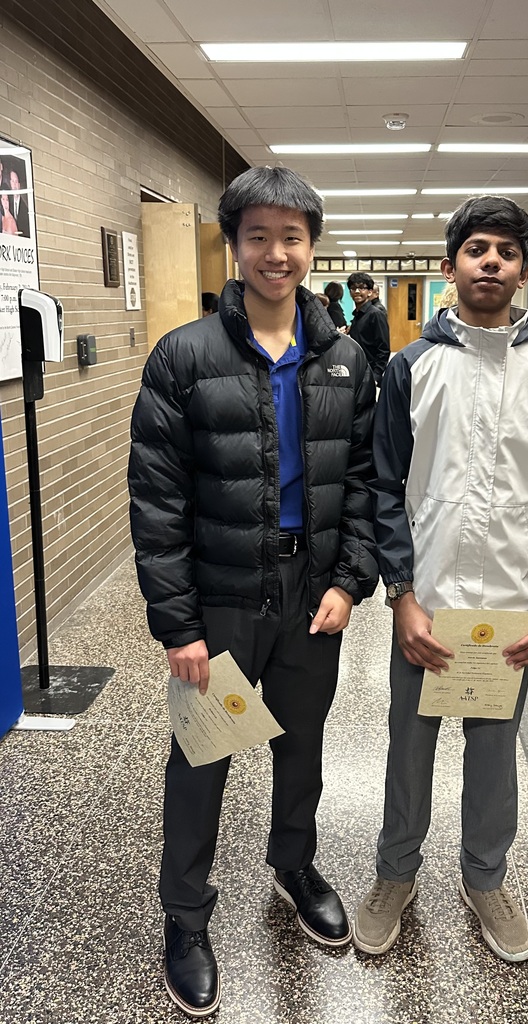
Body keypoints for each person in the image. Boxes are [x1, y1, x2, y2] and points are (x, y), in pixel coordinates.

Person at [128, 165, 378, 1018]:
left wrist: (350, 581)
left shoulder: (345, 359)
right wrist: (178, 625)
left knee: (299, 743)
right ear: (234, 245)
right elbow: (157, 500)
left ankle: (293, 864)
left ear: (312, 247)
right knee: (202, 757)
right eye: (259, 236)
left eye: (293, 236)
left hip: (312, 594)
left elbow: (371, 482)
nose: (277, 252)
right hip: (224, 596)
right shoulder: (184, 357)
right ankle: (186, 917)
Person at [353, 196, 528, 962]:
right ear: (449, 266)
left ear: (525, 269)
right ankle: (396, 873)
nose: (489, 261)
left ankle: (483, 877)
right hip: (425, 600)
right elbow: (381, 484)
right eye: (475, 249)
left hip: (508, 603)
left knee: (494, 749)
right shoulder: (411, 365)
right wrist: (401, 593)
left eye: (505, 251)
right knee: (409, 744)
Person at [347, 271, 390, 385]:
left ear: (370, 292)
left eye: (362, 288)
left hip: (370, 372)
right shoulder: (357, 315)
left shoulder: (375, 314)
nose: (357, 291)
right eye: (353, 288)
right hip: (356, 370)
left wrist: (376, 375)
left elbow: (384, 348)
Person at [8, 170, 30, 237]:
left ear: (19, 185)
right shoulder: (7, 204)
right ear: (10, 183)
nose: (14, 184)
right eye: (12, 181)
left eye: (16, 181)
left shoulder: (26, 207)